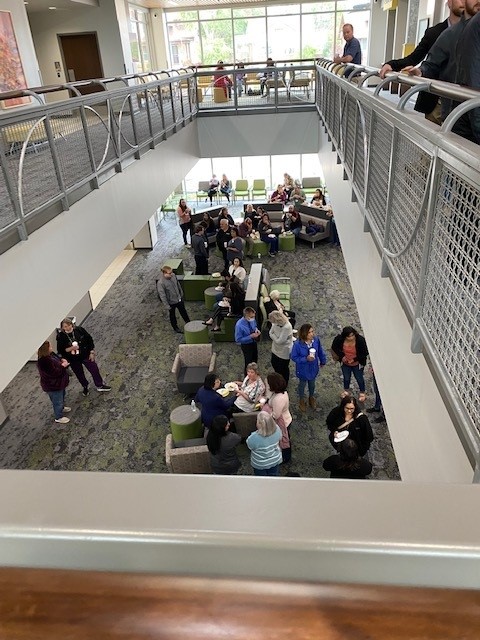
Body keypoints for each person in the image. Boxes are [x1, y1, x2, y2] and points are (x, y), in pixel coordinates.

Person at [379, 0, 465, 123]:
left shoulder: (473, 33)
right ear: (449, 2)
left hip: (464, 104)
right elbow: (414, 58)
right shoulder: (434, 33)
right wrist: (391, 64)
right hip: (437, 102)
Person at [57, 318, 111, 395]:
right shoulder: (61, 336)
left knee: (94, 369)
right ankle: (85, 386)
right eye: (65, 326)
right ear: (62, 328)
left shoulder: (79, 330)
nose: (68, 327)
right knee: (79, 374)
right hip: (73, 359)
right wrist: (71, 348)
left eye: (69, 325)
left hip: (85, 355)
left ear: (71, 324)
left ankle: (100, 385)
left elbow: (89, 340)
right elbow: (61, 350)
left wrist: (91, 351)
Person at [290, 323, 327, 412]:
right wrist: (305, 359)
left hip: (313, 368)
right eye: (309, 332)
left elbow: (320, 351)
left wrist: (323, 361)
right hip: (303, 369)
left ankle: (311, 397)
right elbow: (294, 357)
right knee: (302, 385)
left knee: (312, 384)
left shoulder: (316, 340)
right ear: (304, 334)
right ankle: (301, 399)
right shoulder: (297, 345)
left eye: (312, 331)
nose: (312, 334)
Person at [331, 326, 368, 402]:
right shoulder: (340, 339)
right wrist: (342, 356)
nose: (351, 338)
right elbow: (334, 347)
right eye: (349, 336)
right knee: (346, 377)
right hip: (345, 363)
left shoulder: (360, 340)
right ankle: (346, 391)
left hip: (357, 363)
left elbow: (364, 352)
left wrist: (354, 359)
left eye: (352, 335)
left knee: (359, 378)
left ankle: (362, 392)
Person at [37, 340, 71, 424]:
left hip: (59, 383)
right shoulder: (44, 361)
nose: (51, 348)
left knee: (61, 397)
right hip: (53, 386)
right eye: (50, 347)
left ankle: (62, 408)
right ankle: (58, 417)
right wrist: (63, 366)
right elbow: (54, 373)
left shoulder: (50, 355)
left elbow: (58, 361)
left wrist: (62, 361)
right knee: (57, 401)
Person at [263, 372, 292, 463]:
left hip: (283, 422)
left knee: (284, 440)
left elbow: (276, 415)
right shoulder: (279, 392)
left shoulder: (278, 399)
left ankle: (286, 457)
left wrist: (266, 410)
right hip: (284, 418)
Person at [156, 265, 190, 334]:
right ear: (164, 273)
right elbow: (162, 295)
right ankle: (175, 327)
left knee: (183, 311)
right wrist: (167, 305)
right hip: (171, 302)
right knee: (172, 315)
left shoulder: (173, 276)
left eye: (171, 272)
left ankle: (188, 322)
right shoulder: (161, 283)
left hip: (179, 298)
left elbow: (178, 285)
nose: (171, 274)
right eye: (169, 273)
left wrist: (181, 294)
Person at [246, 412, 282, 476]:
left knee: (261, 480)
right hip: (275, 460)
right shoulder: (277, 429)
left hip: (260, 464)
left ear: (259, 424)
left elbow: (250, 446)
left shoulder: (254, 437)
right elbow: (280, 438)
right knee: (274, 476)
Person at [268, 311, 293, 385]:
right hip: (275, 348)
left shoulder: (287, 326)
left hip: (284, 351)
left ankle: (284, 382)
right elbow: (270, 332)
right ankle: (278, 379)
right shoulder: (275, 323)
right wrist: (276, 338)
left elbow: (280, 341)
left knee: (283, 368)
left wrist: (274, 337)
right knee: (274, 363)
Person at [235, 308, 261, 374]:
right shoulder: (239, 325)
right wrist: (250, 336)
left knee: (255, 359)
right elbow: (238, 339)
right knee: (248, 363)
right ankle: (247, 377)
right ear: (246, 316)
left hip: (254, 342)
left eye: (254, 316)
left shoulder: (252, 320)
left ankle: (254, 374)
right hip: (246, 345)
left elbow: (254, 326)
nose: (253, 318)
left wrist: (256, 330)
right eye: (251, 317)